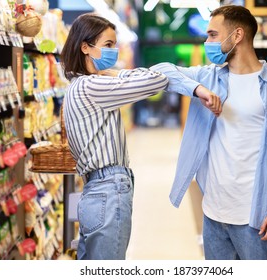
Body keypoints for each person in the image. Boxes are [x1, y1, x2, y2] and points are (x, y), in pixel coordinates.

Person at [150, 5, 267, 260]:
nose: (207, 42)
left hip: (258, 218)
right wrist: (198, 90)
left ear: (237, 35)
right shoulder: (208, 77)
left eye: (212, 35)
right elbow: (159, 71)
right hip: (213, 215)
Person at [60, 14, 221, 260]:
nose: (114, 51)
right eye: (108, 45)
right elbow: (157, 78)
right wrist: (193, 86)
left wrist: (117, 75)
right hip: (107, 188)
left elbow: (130, 77)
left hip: (95, 189)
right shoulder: (91, 87)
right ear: (85, 47)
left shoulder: (81, 85)